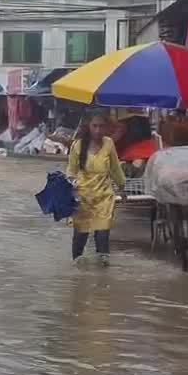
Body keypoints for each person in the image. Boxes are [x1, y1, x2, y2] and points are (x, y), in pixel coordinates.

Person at [65, 114, 126, 266]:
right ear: (89, 126)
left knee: (102, 234)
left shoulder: (109, 143)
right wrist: (69, 189)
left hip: (103, 197)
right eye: (94, 126)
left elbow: (115, 168)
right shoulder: (78, 145)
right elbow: (71, 171)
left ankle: (103, 278)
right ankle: (77, 273)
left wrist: (122, 188)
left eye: (101, 126)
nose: (98, 130)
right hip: (83, 197)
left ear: (106, 128)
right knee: (81, 236)